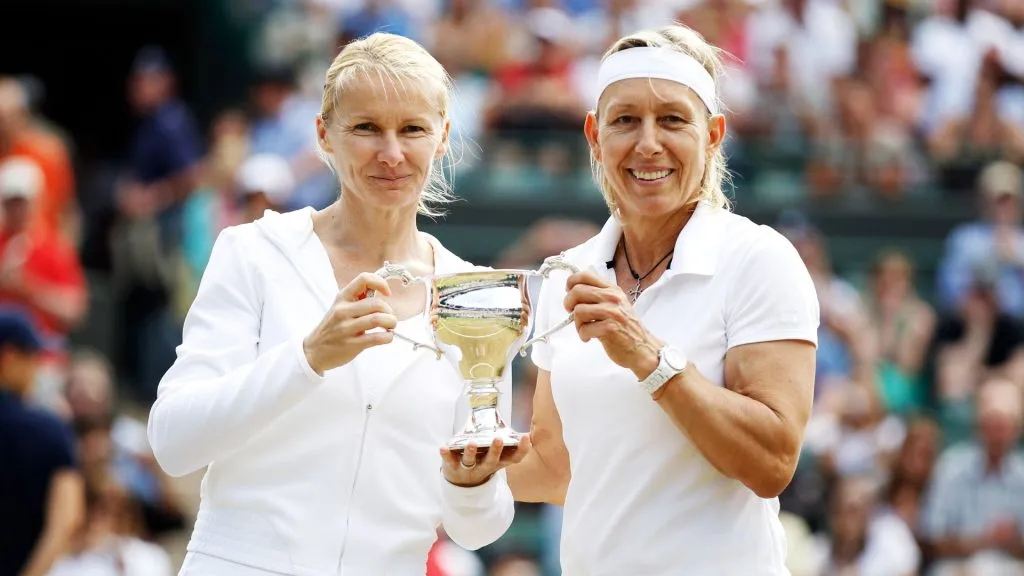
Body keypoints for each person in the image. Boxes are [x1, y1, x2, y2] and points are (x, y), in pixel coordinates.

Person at [147, 33, 524, 575]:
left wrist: (471, 483)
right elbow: (175, 441)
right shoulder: (254, 251)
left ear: (443, 137)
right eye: (366, 127)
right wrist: (308, 357)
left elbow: (477, 527)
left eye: (412, 129)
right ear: (324, 135)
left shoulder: (478, 294)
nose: (391, 153)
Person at [508, 24, 820, 574]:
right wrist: (467, 467)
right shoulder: (568, 274)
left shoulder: (759, 259)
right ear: (594, 136)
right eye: (625, 119)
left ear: (714, 134)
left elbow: (772, 461)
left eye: (672, 119)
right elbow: (556, 466)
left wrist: (648, 357)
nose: (647, 142)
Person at [0, 307, 85, 576]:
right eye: (33, 356)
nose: (38, 368)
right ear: (9, 358)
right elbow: (67, 518)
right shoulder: (47, 429)